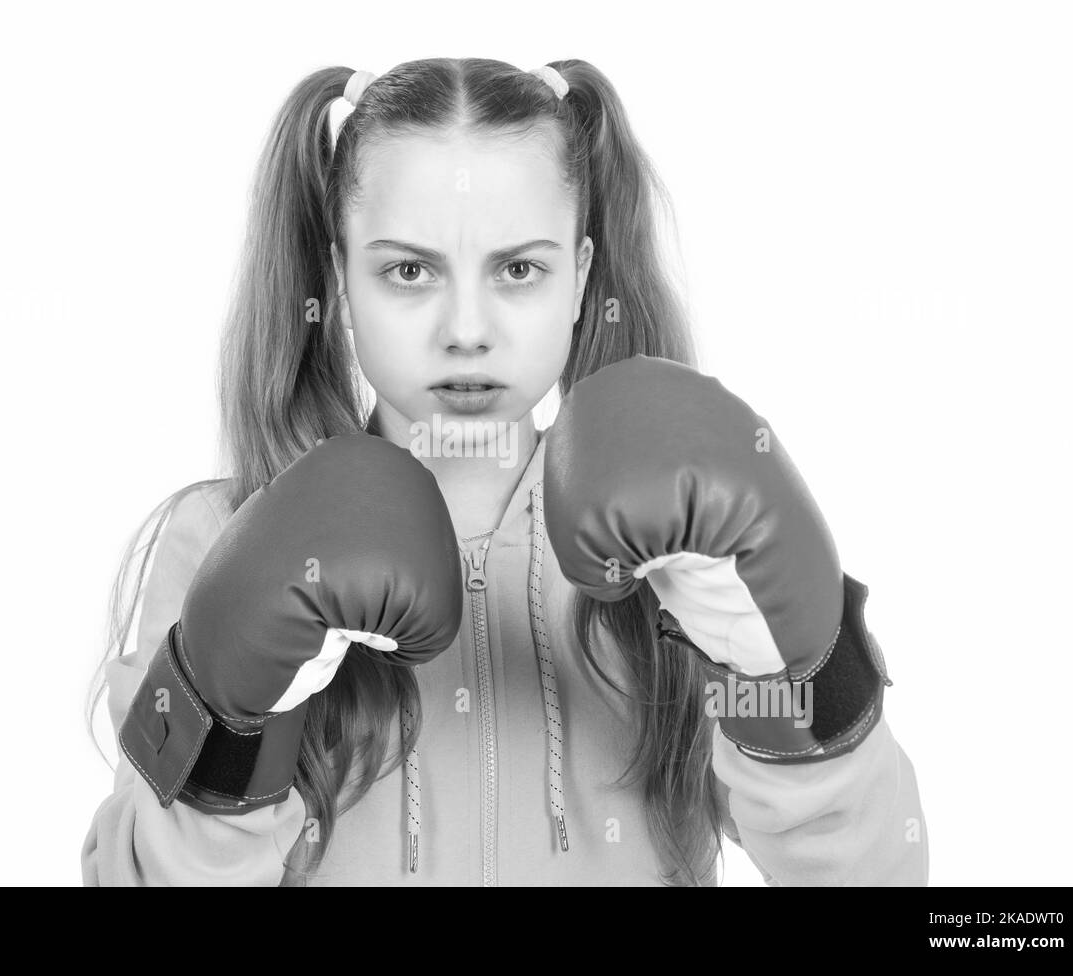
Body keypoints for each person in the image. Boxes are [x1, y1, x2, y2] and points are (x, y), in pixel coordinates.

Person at [81, 57, 929, 886]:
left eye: (518, 269)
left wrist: (786, 669)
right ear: (339, 281)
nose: (467, 329)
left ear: (580, 277)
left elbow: (875, 878)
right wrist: (232, 725)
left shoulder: (688, 546)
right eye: (408, 271)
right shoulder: (223, 540)